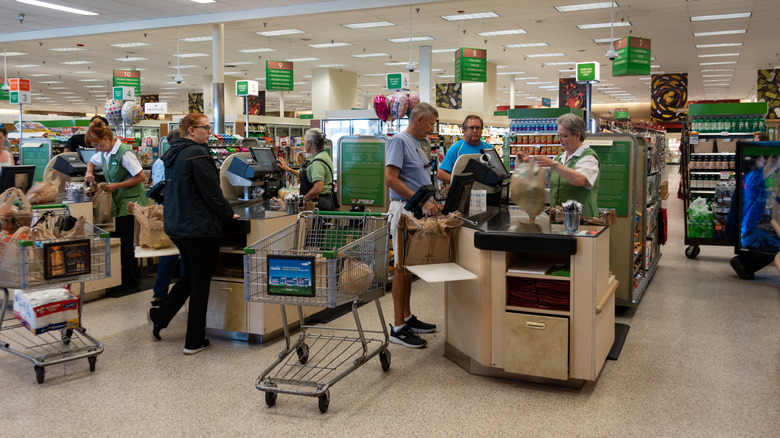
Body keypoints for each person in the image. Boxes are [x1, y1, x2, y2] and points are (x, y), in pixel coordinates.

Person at [148, 113, 239, 355]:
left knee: (190, 277)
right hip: (199, 227)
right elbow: (211, 191)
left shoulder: (173, 153)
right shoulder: (198, 153)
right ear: (190, 130)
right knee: (200, 282)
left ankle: (160, 315)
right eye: (206, 128)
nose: (210, 132)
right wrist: (228, 214)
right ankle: (194, 340)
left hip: (177, 225)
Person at [384, 102, 441, 348]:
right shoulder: (399, 141)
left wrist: (430, 201)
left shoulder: (418, 144)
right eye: (430, 123)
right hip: (403, 210)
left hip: (415, 210)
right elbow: (390, 179)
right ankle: (397, 327)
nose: (431, 128)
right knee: (400, 267)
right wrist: (420, 201)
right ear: (418, 120)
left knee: (408, 267)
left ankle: (407, 317)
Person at [84, 118, 148, 297]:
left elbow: (141, 177)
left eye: (97, 144)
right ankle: (122, 280)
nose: (96, 148)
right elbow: (91, 162)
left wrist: (116, 186)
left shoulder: (124, 153)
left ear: (106, 138)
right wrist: (89, 172)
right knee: (119, 241)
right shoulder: (105, 153)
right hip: (118, 204)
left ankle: (133, 282)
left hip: (130, 204)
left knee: (127, 244)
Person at [516, 113, 600, 217]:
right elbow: (544, 175)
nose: (559, 140)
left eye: (564, 136)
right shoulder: (560, 157)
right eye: (558, 136)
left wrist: (553, 164)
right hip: (559, 220)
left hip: (581, 221)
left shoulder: (589, 157)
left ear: (577, 135)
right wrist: (529, 162)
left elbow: (580, 180)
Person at [728, 132, 779, 279]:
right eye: (763, 158)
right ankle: (744, 263)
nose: (765, 160)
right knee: (775, 243)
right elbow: (773, 164)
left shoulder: (754, 177)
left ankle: (745, 262)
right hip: (748, 233)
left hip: (750, 228)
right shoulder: (753, 177)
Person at [149, 129, 182, 307]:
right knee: (185, 254)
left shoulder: (159, 162)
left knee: (167, 254)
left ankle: (159, 294)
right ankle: (185, 292)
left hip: (163, 210)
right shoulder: (180, 160)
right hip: (180, 211)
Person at [276, 128, 337, 210]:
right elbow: (309, 176)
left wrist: (302, 200)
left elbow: (318, 188)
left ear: (309, 142)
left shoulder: (318, 161)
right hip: (324, 201)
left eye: (304, 141)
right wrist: (288, 169)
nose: (303, 144)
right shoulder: (322, 155)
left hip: (320, 204)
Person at [436, 115, 492, 184]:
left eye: (477, 128)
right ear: (464, 130)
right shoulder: (455, 148)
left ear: (482, 130)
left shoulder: (489, 149)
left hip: (486, 192)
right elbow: (441, 174)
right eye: (471, 128)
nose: (475, 131)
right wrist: (459, 184)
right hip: (464, 193)